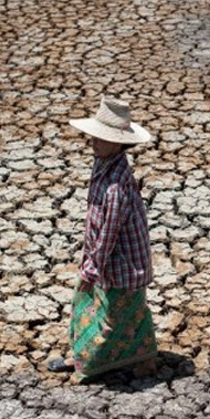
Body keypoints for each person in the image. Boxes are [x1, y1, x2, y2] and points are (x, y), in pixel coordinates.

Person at [47, 96, 157, 383]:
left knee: (115, 316)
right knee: (92, 306)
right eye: (93, 136)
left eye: (100, 138)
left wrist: (92, 268)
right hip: (103, 257)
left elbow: (109, 232)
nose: (93, 142)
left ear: (118, 142)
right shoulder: (104, 165)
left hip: (122, 262)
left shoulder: (116, 186)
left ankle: (97, 362)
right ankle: (85, 355)